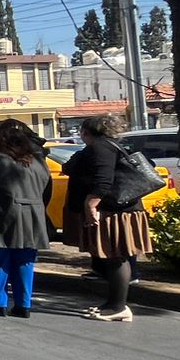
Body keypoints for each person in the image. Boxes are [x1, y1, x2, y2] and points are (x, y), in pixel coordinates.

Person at [62, 114, 153, 322]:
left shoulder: (100, 148)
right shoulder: (107, 146)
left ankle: (118, 306)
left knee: (115, 257)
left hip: (112, 211)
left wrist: (91, 205)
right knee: (111, 257)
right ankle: (113, 303)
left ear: (86, 132)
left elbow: (103, 181)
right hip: (116, 210)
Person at [0, 120, 52, 318]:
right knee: (25, 262)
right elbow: (47, 189)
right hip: (32, 214)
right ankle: (24, 304)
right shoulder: (38, 160)